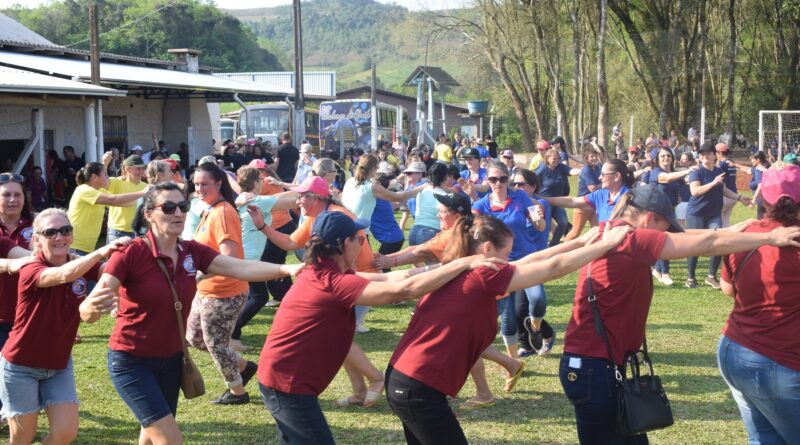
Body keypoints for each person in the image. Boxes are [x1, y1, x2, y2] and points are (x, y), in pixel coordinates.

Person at [559, 184, 800, 445]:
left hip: (593, 365)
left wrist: (728, 231)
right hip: (594, 368)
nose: (666, 235)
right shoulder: (635, 239)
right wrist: (769, 238)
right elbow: (708, 245)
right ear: (649, 219)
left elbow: (690, 236)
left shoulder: (612, 228)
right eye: (664, 227)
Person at [78, 183, 300, 445]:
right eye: (168, 207)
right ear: (149, 214)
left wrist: (286, 270)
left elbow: (241, 268)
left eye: (182, 207)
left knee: (151, 435)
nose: (178, 214)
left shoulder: (191, 251)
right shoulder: (130, 254)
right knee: (170, 439)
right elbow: (88, 311)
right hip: (132, 362)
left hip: (172, 360)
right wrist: (90, 308)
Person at [256, 211, 503, 445]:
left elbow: (396, 278)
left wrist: (452, 265)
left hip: (283, 380)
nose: (363, 245)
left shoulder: (320, 271)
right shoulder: (332, 282)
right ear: (345, 244)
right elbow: (402, 291)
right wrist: (462, 265)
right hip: (285, 384)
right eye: (360, 239)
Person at [386, 215, 633, 444]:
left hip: (406, 380)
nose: (508, 261)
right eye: (506, 254)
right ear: (487, 249)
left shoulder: (458, 268)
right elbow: (553, 268)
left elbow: (530, 261)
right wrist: (605, 245)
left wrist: (581, 242)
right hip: (418, 388)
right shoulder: (484, 275)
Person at [248, 176, 386, 408]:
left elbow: (359, 253)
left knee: (339, 339)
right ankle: (360, 390)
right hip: (338, 282)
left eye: (302, 196)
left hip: (355, 280)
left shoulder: (339, 218)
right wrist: (262, 226)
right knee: (340, 338)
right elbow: (291, 243)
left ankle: (375, 379)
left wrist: (350, 281)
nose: (298, 200)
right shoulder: (317, 219)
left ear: (317, 198)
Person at [0, 209, 127, 445]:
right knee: (23, 437)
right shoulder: (31, 268)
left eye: (65, 230)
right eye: (50, 232)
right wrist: (101, 251)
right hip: (20, 366)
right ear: (37, 239)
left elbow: (110, 273)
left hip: (59, 365)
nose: (60, 237)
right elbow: (61, 275)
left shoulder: (79, 263)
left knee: (65, 433)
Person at [717, 165, 800, 444]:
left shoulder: (746, 233)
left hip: (734, 350)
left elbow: (728, 289)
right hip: (778, 362)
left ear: (763, 199)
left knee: (764, 439)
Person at [184, 162, 255, 405]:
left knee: (215, 344)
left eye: (204, 184)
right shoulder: (209, 209)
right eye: (196, 184)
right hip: (205, 291)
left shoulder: (223, 213)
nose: (199, 188)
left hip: (225, 292)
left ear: (218, 184)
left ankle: (238, 392)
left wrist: (200, 274)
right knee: (194, 337)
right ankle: (244, 367)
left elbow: (230, 258)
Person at [229, 167, 297, 352]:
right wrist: (304, 192)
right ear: (256, 183)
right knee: (259, 297)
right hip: (248, 259)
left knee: (251, 296)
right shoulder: (257, 201)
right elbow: (291, 201)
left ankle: (231, 334)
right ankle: (232, 335)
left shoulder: (245, 199)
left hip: (244, 256)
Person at [685, 143, 751, 289]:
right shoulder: (697, 171)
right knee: (695, 245)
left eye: (708, 153)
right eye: (702, 154)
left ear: (715, 155)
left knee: (718, 242)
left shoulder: (719, 170)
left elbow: (724, 190)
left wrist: (740, 198)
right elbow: (694, 191)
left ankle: (711, 276)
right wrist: (714, 183)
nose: (704, 156)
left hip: (714, 213)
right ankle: (690, 278)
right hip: (697, 213)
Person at [511, 169, 554, 356]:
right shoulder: (517, 205)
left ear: (533, 186)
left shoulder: (539, 203)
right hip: (518, 259)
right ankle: (526, 344)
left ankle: (547, 333)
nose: (517, 188)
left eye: (521, 184)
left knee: (531, 303)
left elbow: (540, 217)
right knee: (517, 308)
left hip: (535, 260)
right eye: (515, 184)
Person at [67, 162, 146, 255]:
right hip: (75, 247)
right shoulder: (84, 190)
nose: (108, 177)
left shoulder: (98, 191)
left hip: (85, 247)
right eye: (105, 174)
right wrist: (142, 192)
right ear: (94, 177)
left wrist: (143, 199)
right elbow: (114, 200)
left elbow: (123, 203)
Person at [648, 147, 696, 286]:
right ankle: (665, 273)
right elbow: (667, 179)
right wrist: (687, 170)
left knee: (664, 239)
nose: (666, 158)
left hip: (670, 211)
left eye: (668, 156)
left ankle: (658, 270)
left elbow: (685, 182)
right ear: (657, 159)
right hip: (657, 212)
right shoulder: (655, 172)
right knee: (664, 240)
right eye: (662, 156)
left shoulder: (675, 173)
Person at [0, 172, 35, 348]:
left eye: (17, 194)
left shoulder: (40, 225)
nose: (13, 199)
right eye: (6, 195)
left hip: (31, 315)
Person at [535, 148, 580, 246]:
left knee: (563, 223)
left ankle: (553, 244)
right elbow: (532, 178)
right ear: (547, 159)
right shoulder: (542, 168)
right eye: (554, 159)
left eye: (558, 158)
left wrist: (580, 171)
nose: (557, 161)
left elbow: (571, 171)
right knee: (544, 226)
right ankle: (540, 245)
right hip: (544, 202)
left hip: (558, 202)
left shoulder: (561, 167)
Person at [106, 155, 149, 242]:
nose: (141, 171)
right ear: (127, 169)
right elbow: (100, 182)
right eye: (138, 168)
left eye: (143, 168)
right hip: (117, 231)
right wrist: (105, 163)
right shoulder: (116, 182)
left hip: (138, 232)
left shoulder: (145, 186)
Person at [564, 148, 602, 241]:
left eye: (595, 155)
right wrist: (605, 184)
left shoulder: (597, 168)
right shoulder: (586, 170)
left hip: (594, 205)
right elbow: (592, 188)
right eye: (591, 156)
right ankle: (563, 248)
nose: (594, 158)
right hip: (583, 205)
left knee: (597, 231)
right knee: (575, 233)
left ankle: (594, 252)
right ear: (586, 158)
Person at [371, 172, 405, 271]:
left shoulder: (374, 199)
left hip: (392, 240)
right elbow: (394, 205)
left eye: (372, 182)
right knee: (382, 267)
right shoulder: (383, 198)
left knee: (380, 266)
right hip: (395, 238)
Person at [715, 143, 739, 227]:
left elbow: (717, 176)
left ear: (720, 153)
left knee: (717, 216)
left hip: (726, 194)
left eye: (716, 152)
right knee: (725, 219)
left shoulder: (722, 164)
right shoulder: (731, 161)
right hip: (734, 193)